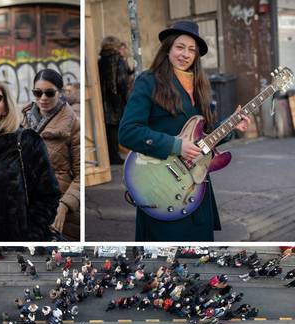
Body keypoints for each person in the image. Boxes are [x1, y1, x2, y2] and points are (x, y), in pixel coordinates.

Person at [118, 20, 250, 241]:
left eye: (192, 50)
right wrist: (176, 145)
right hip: (161, 184)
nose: (185, 54)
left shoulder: (201, 88)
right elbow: (128, 131)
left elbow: (205, 140)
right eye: (180, 47)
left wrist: (232, 127)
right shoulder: (149, 81)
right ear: (168, 48)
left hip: (195, 188)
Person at [0, 78, 60, 241]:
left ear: (5, 109)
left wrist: (31, 233)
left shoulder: (27, 142)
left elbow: (48, 195)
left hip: (14, 239)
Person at [22, 69, 80, 241]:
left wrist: (65, 205)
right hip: (27, 206)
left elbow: (81, 175)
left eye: (49, 92)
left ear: (60, 92)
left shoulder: (73, 125)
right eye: (37, 93)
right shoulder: (24, 120)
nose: (43, 98)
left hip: (59, 208)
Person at [98, 36, 132, 165]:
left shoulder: (101, 60)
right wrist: (124, 98)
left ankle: (112, 155)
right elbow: (121, 82)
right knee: (116, 127)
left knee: (109, 128)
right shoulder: (117, 59)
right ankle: (115, 156)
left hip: (104, 99)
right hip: (116, 99)